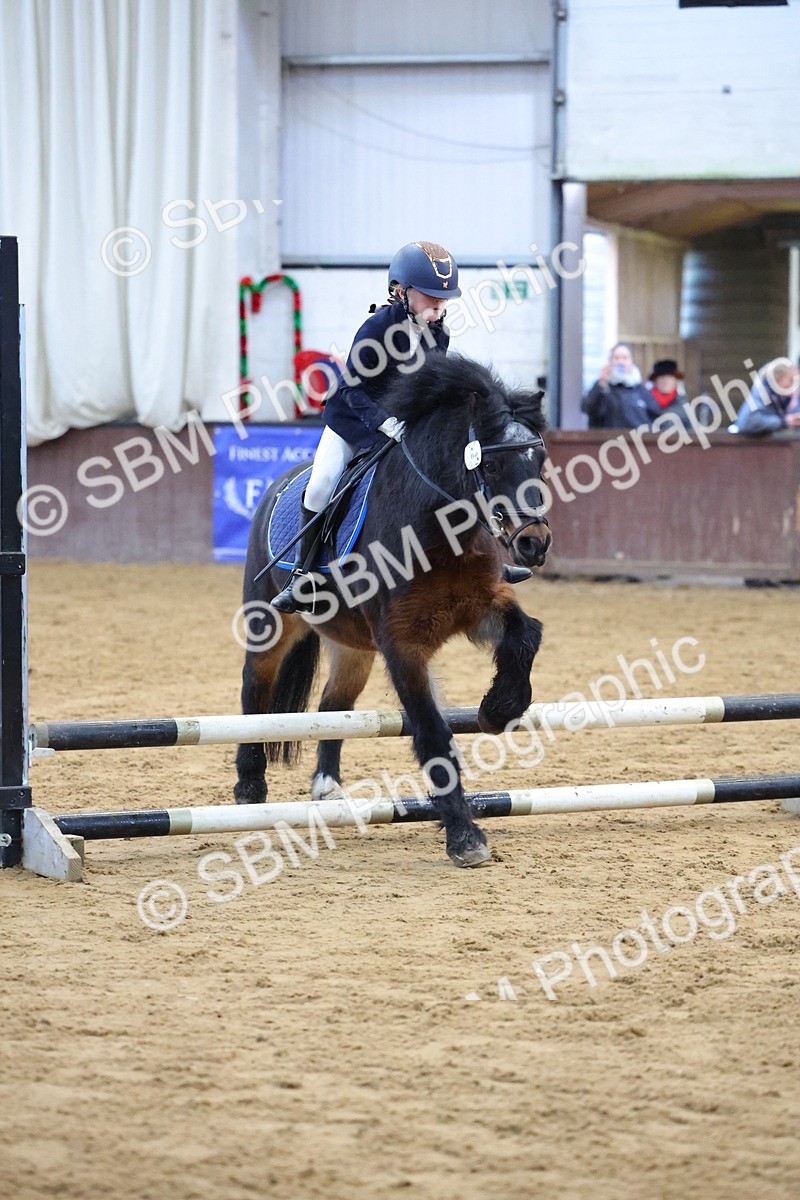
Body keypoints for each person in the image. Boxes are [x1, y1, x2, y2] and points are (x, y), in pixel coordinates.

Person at [271, 242, 532, 614]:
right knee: (321, 485)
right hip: (354, 421)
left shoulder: (437, 332)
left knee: (460, 474)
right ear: (401, 291)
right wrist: (383, 422)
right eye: (430, 297)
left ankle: (487, 558)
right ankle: (302, 574)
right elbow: (350, 389)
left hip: (404, 428)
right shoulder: (377, 329)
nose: (438, 305)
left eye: (444, 298)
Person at [582, 343, 660, 430]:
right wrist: (601, 385)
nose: (621, 362)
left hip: (635, 441)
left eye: (624, 358)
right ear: (610, 361)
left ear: (631, 361)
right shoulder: (603, 388)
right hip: (608, 441)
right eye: (616, 358)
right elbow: (587, 407)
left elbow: (655, 417)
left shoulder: (640, 390)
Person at [730, 358, 800, 436]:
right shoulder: (762, 395)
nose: (794, 385)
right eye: (791, 380)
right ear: (777, 380)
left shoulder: (786, 400)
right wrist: (784, 421)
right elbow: (748, 422)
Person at [647, 358, 692, 428]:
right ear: (655, 380)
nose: (665, 381)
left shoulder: (684, 405)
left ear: (675, 380)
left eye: (669, 376)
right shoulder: (644, 403)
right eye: (661, 377)